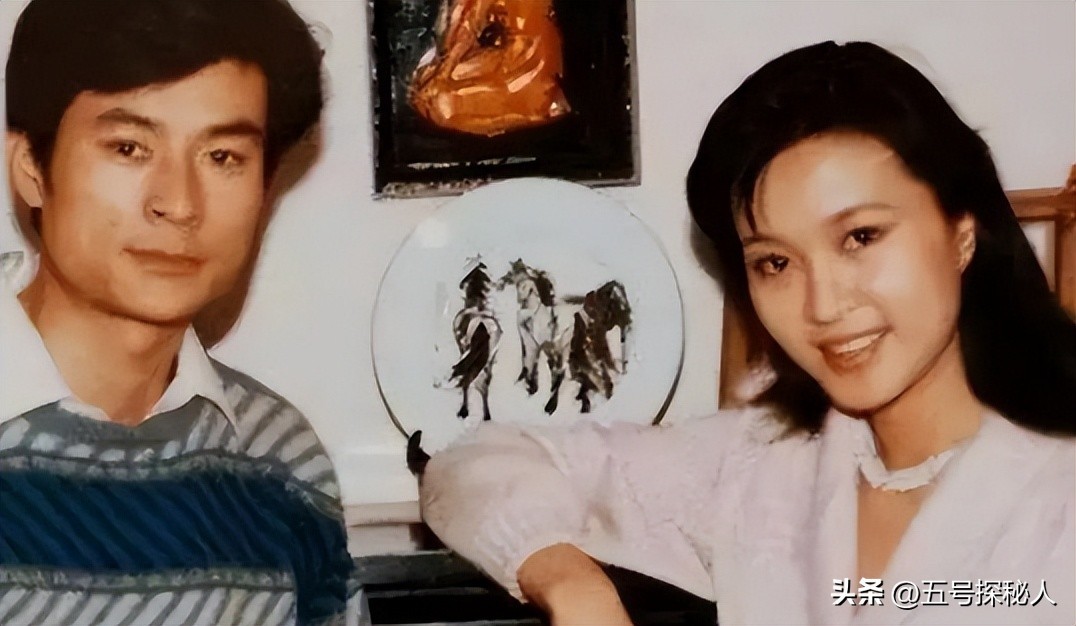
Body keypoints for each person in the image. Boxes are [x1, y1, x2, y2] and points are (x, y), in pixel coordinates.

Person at [420, 41, 1076, 625]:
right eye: (776, 263)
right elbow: (473, 465)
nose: (823, 305)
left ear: (962, 232)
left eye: (861, 237)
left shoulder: (1053, 492)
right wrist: (570, 585)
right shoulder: (763, 467)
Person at [0, 1, 362, 624]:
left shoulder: (278, 463)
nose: (179, 202)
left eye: (222, 157)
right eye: (129, 147)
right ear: (31, 167)